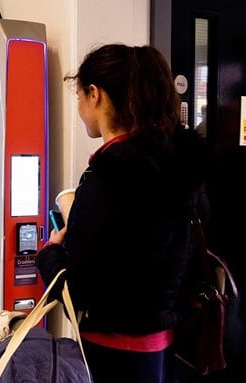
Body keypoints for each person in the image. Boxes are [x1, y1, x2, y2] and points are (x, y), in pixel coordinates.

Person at [36, 44, 207, 383]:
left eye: (80, 96)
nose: (80, 108)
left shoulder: (105, 179)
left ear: (96, 95)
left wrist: (50, 254)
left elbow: (80, 291)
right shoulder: (180, 169)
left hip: (111, 356)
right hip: (165, 350)